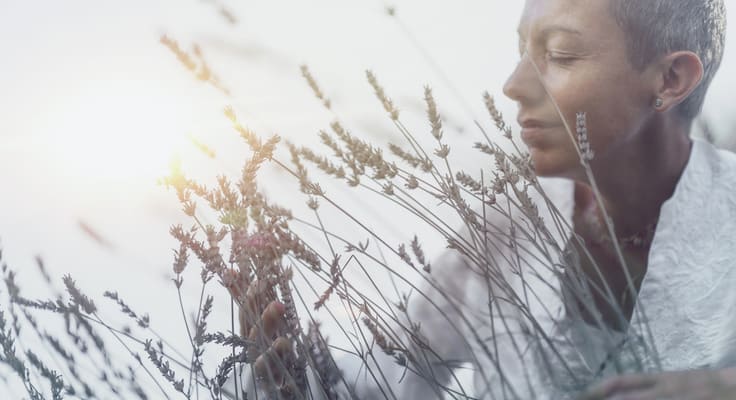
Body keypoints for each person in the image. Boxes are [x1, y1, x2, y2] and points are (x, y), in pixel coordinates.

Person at [226, 0, 736, 398]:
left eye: (559, 54)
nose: (513, 86)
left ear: (670, 79)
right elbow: (388, 380)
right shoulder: (509, 226)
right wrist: (291, 369)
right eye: (521, 52)